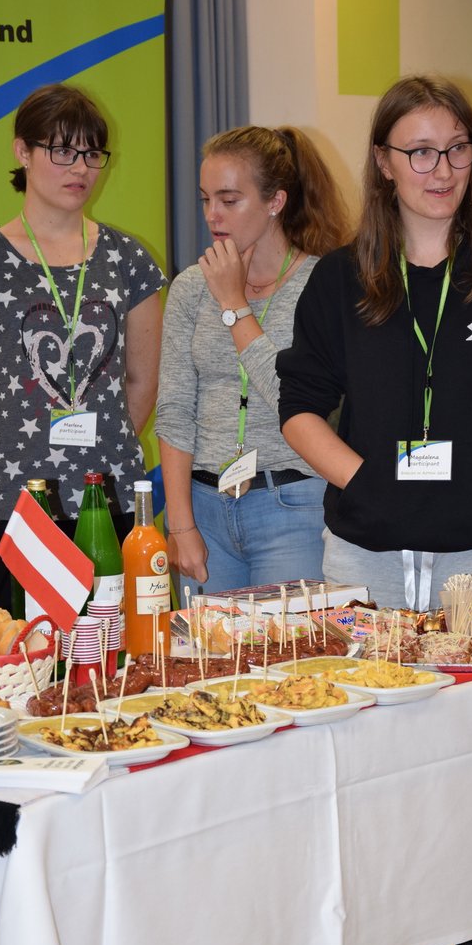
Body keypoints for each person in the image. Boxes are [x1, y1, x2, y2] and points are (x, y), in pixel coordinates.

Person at [276, 76, 472, 945]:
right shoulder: (339, 278)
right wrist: (367, 479)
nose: (439, 168)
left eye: (456, 149)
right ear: (383, 162)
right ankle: (367, 922)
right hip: (367, 550)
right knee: (369, 741)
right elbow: (299, 411)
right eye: (419, 151)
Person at [0, 82, 166, 610]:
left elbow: (143, 380)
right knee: (33, 653)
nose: (80, 168)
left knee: (112, 647)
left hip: (110, 498)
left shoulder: (128, 259)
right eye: (63, 150)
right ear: (23, 151)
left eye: (92, 153)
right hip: (13, 503)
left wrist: (98, 449)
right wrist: (14, 452)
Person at [156, 125, 349, 600]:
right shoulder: (190, 287)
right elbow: (175, 410)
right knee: (207, 649)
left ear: (275, 201)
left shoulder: (323, 283)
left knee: (290, 649)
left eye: (229, 200)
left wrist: (234, 305)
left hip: (292, 506)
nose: (213, 215)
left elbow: (296, 402)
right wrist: (180, 524)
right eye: (206, 200)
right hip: (204, 510)